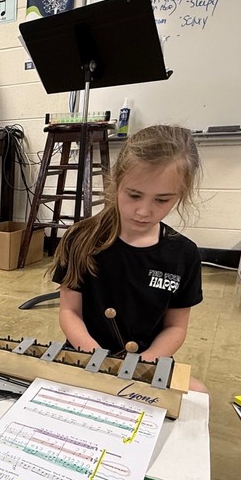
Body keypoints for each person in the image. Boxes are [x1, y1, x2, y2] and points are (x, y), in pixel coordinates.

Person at [51, 124, 207, 391]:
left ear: (180, 195)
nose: (143, 211)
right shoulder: (81, 238)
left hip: (147, 363)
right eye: (134, 195)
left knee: (200, 395)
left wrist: (142, 364)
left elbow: (176, 328)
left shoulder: (184, 254)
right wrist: (96, 358)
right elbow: (70, 312)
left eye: (162, 200)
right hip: (86, 355)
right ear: (116, 183)